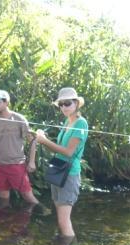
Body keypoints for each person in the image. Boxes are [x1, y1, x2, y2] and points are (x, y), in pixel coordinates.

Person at [35, 87, 88, 237]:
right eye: (61, 104)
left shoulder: (81, 123)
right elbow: (60, 148)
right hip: (58, 169)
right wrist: (43, 137)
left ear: (76, 103)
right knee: (60, 219)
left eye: (67, 103)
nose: (64, 107)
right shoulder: (67, 121)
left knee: (64, 222)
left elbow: (68, 152)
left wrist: (44, 141)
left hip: (69, 175)